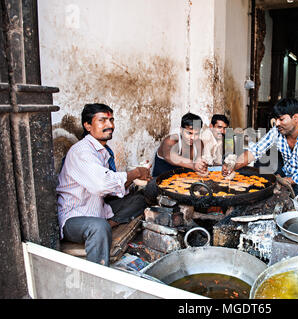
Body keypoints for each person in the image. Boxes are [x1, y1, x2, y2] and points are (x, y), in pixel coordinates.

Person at [56, 103, 151, 266]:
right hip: (74, 217)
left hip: (98, 208)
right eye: (102, 120)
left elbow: (108, 189)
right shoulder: (82, 151)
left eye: (111, 120)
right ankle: (97, 279)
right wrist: (135, 173)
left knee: (141, 199)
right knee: (98, 227)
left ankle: (108, 225)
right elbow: (101, 185)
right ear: (87, 125)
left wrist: (131, 181)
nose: (110, 125)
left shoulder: (103, 151)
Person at [222, 98, 298, 204]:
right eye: (276, 119)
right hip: (290, 170)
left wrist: (285, 181)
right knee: (262, 162)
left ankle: (284, 183)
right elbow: (254, 151)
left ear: (295, 118)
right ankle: (282, 182)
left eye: (281, 119)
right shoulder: (277, 131)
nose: (277, 123)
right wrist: (232, 166)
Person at [152, 112, 208, 177]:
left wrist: (202, 168)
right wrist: (193, 164)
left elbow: (198, 165)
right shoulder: (170, 141)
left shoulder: (199, 144)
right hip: (160, 182)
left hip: (183, 182)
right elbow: (170, 156)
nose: (193, 137)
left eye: (196, 134)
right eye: (189, 133)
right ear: (181, 130)